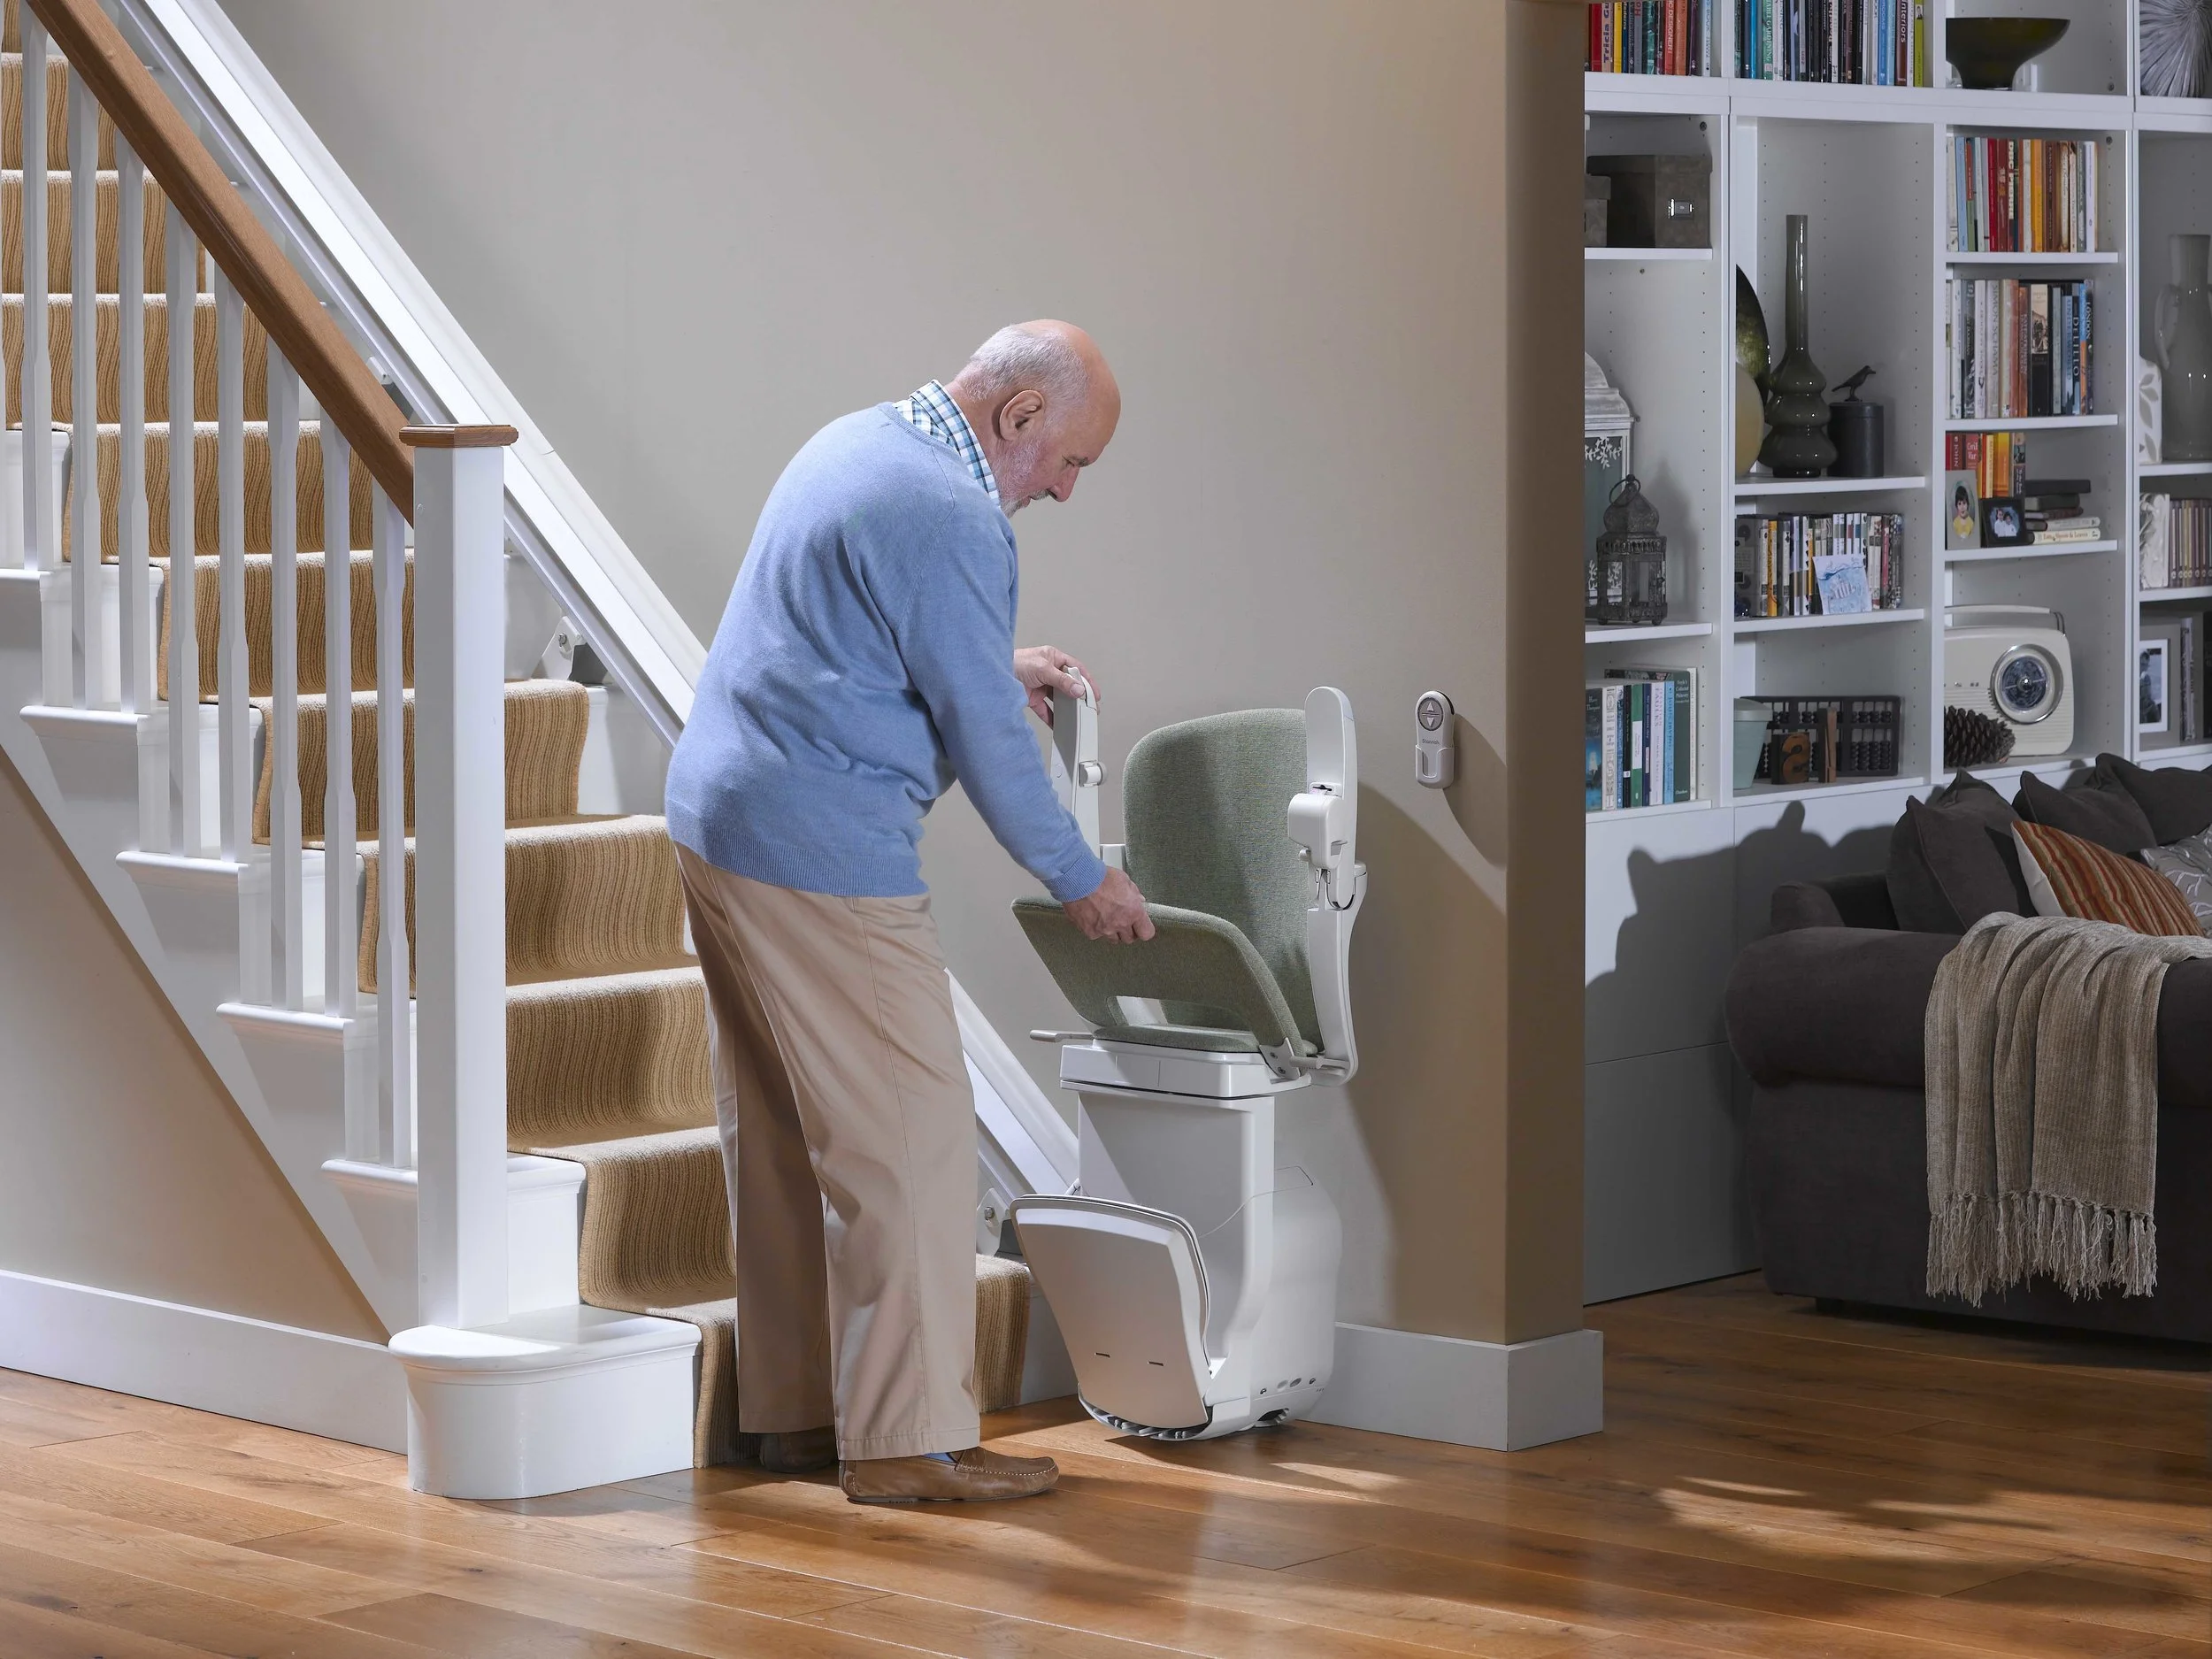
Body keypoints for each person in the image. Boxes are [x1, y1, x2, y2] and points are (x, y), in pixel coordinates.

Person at [664, 321, 1154, 1505]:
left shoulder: (866, 443)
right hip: (819, 848)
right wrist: (1081, 875)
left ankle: (795, 1412)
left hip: (720, 822)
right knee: (918, 1141)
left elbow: (880, 642)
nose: (1069, 490)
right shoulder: (948, 509)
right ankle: (909, 1441)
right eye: (1071, 460)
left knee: (782, 1137)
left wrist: (996, 660)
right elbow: (988, 742)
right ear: (1020, 417)